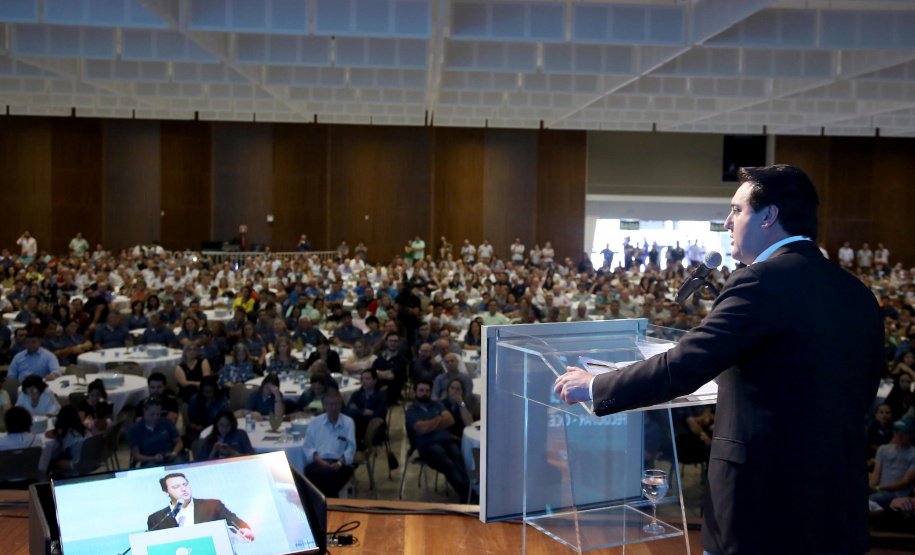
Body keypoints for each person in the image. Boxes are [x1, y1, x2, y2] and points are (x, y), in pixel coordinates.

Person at [554, 165, 884, 555]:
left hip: (762, 503)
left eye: (736, 210)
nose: (727, 222)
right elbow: (862, 391)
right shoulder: (855, 291)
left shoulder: (759, 281)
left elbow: (683, 366)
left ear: (769, 216)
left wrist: (593, 386)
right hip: (835, 503)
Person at [405, 380, 469, 502]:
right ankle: (466, 494)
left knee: (459, 459)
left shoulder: (437, 404)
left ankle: (471, 491)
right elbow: (421, 428)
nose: (424, 393)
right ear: (415, 392)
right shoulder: (411, 411)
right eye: (421, 391)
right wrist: (440, 419)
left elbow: (450, 420)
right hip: (428, 445)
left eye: (427, 391)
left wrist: (430, 424)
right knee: (447, 463)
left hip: (447, 440)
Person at [146, 472, 254, 539]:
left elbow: (237, 522)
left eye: (185, 484)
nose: (183, 489)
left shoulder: (212, 505)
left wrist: (244, 529)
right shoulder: (157, 519)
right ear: (166, 492)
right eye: (176, 487)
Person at [303, 390, 357, 498]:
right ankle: (330, 507)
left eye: (337, 404)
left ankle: (323, 507)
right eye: (330, 404)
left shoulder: (348, 422)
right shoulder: (315, 423)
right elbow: (308, 448)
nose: (334, 407)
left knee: (328, 477)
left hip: (340, 465)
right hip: (319, 463)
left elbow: (350, 448)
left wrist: (339, 463)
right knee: (325, 476)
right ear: (324, 405)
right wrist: (321, 462)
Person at [869, 418, 915, 509]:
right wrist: (871, 487)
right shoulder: (883, 449)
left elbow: (905, 482)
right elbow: (876, 473)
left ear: (911, 434)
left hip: (897, 493)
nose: (899, 435)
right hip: (880, 490)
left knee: (871, 500)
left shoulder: (913, 453)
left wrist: (878, 488)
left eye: (903, 433)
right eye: (896, 432)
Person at [128, 397, 183, 468]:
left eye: (158, 414)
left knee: (180, 464)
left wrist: (174, 453)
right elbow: (136, 455)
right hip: (149, 460)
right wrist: (152, 458)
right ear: (144, 411)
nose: (155, 417)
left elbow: (179, 442)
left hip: (170, 456)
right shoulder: (135, 429)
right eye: (152, 414)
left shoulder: (166, 422)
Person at [344, 368, 387, 444]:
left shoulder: (380, 396)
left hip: (375, 431)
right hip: (359, 428)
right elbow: (347, 412)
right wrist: (363, 411)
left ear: (375, 380)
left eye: (367, 379)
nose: (364, 381)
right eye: (362, 379)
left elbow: (378, 415)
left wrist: (356, 411)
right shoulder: (357, 394)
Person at [46, 406, 90, 476]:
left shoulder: (70, 435)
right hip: (89, 466)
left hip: (76, 468)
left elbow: (48, 434)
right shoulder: (84, 431)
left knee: (49, 462)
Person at [186, 375, 227, 442]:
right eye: (205, 392)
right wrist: (195, 425)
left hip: (217, 430)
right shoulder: (194, 400)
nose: (207, 394)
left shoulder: (221, 400)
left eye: (210, 391)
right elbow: (191, 419)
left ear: (215, 390)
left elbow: (224, 417)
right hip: (198, 432)